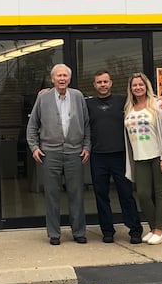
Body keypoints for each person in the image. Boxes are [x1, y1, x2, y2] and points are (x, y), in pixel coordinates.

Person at [26, 64, 91, 245]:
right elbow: (32, 126)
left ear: (69, 79)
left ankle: (79, 231)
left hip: (74, 152)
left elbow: (86, 124)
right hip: (50, 153)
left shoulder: (78, 97)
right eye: (58, 76)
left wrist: (87, 146)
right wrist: (34, 147)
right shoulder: (44, 98)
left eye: (65, 76)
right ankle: (54, 233)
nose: (62, 79)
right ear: (53, 79)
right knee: (52, 195)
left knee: (76, 194)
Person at [86, 70, 145, 244]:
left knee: (126, 194)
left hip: (120, 155)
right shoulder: (88, 104)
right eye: (99, 82)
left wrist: (160, 100)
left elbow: (144, 98)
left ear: (111, 83)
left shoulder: (123, 100)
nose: (102, 85)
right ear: (95, 85)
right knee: (101, 195)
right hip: (98, 156)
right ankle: (107, 231)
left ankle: (135, 230)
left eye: (105, 81)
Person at [123, 72, 162, 246]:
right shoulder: (129, 107)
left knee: (161, 193)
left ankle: (159, 230)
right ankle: (153, 227)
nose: (138, 88)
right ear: (130, 88)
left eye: (141, 84)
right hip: (140, 157)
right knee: (143, 194)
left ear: (146, 86)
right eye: (134, 85)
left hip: (158, 156)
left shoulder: (158, 104)